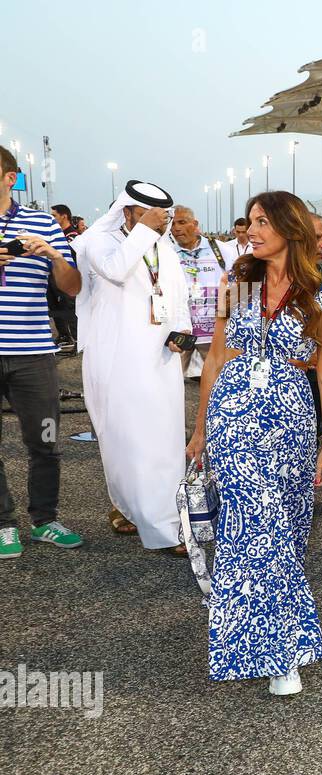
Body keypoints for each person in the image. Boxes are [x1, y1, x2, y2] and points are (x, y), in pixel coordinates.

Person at [188, 190, 322, 697]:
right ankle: (280, 653)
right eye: (249, 221)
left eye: (261, 221)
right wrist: (200, 428)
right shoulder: (237, 280)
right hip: (234, 413)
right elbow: (215, 357)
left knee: (287, 529)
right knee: (254, 526)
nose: (251, 230)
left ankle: (260, 628)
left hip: (291, 420)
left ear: (290, 228)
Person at [74, 180, 191, 551]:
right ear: (127, 212)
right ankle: (142, 514)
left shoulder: (163, 249)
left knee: (165, 437)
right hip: (117, 358)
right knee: (125, 439)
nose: (160, 223)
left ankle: (165, 517)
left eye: (164, 217)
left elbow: (177, 293)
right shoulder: (99, 243)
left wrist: (183, 329)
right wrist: (144, 231)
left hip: (161, 356)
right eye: (149, 216)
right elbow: (117, 269)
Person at [0, 145, 83, 559]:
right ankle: (3, 525)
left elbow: (71, 287)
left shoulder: (41, 224)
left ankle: (45, 518)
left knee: (46, 439)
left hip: (32, 350)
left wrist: (51, 254)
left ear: (9, 177)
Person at [170, 206, 225, 381]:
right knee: (170, 381)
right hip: (179, 328)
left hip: (212, 331)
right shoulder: (167, 252)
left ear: (195, 224)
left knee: (217, 381)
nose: (176, 228)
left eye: (182, 222)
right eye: (172, 224)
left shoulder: (220, 250)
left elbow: (241, 284)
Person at [47, 204, 80, 351]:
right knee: (55, 308)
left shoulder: (71, 235)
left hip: (67, 276)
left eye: (54, 215)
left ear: (64, 216)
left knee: (70, 308)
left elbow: (74, 257)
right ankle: (64, 335)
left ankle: (78, 338)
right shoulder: (56, 234)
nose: (52, 218)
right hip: (53, 278)